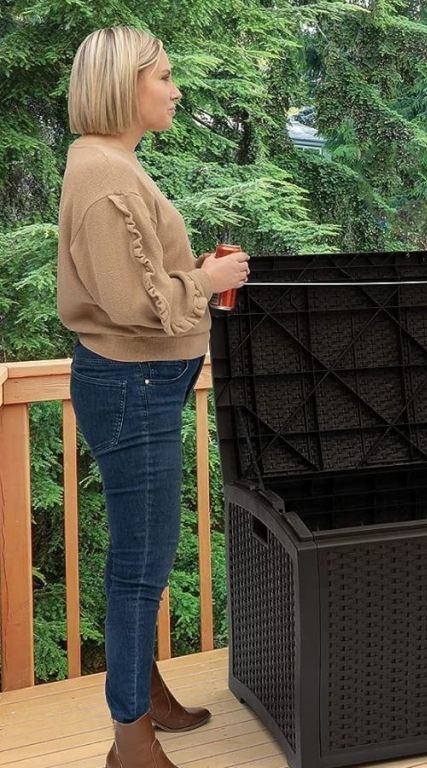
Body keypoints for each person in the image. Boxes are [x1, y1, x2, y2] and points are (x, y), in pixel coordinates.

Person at [58, 27, 251, 767]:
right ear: (123, 85)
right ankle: (128, 741)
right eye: (165, 77)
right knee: (140, 566)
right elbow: (134, 304)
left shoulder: (107, 162)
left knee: (148, 556)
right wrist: (206, 282)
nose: (176, 90)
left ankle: (149, 697)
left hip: (138, 383)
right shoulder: (107, 175)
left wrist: (195, 275)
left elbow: (135, 285)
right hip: (133, 383)